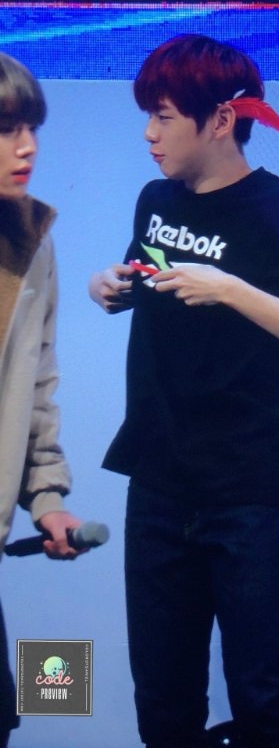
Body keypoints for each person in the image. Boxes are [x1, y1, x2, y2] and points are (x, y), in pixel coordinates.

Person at [89, 34, 279, 748]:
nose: (149, 135)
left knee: (263, 702)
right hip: (158, 480)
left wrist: (234, 290)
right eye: (147, 116)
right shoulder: (156, 200)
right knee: (163, 705)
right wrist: (109, 284)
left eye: (164, 116)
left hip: (246, 490)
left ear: (219, 120)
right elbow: (147, 272)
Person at [0, 52, 86, 748]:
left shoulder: (31, 240)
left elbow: (35, 385)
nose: (27, 147)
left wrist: (46, 494)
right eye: (6, 129)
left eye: (31, 127)